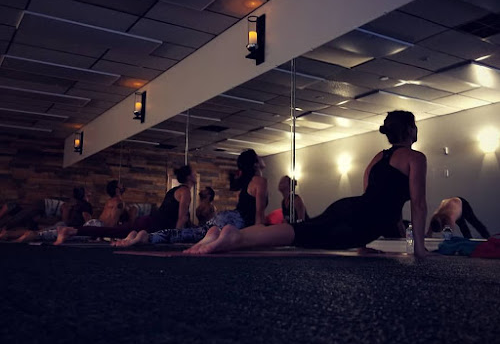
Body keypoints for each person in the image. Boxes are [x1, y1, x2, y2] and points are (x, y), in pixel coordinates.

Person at [185, 110, 428, 259]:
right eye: (415, 126)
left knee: (301, 230)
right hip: (359, 223)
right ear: (410, 130)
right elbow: (418, 205)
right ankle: (233, 239)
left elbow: (370, 197)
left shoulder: (379, 157)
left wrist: (362, 243)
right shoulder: (416, 158)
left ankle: (230, 235)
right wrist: (419, 249)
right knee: (299, 234)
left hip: (348, 209)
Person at [113, 149, 268, 247]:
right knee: (194, 235)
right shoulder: (260, 181)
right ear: (255, 163)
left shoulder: (247, 183)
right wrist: (260, 240)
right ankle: (146, 237)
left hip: (229, 218)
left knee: (194, 234)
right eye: (258, 157)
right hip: (235, 220)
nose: (262, 159)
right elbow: (259, 215)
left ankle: (147, 236)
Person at [53, 167, 196, 245]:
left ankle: (71, 231)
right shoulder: (185, 192)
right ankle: (71, 231)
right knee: (113, 231)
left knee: (113, 231)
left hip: (150, 222)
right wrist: (176, 238)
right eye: (194, 173)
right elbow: (181, 217)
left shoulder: (175, 190)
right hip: (151, 224)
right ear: (189, 177)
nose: (195, 174)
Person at [15, 187, 93, 243]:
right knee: (38, 234)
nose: (90, 193)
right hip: (67, 228)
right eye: (87, 192)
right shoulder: (86, 205)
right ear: (84, 195)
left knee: (39, 233)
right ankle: (15, 240)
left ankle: (13, 238)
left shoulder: (76, 205)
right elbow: (88, 222)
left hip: (63, 225)